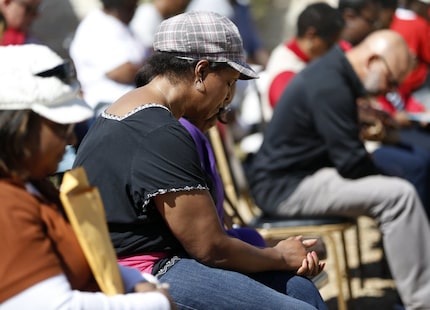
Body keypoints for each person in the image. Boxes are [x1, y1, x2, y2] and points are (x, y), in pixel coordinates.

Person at [74, 11, 327, 310]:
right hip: (145, 271)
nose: (229, 98)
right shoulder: (160, 131)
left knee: (299, 289)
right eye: (230, 82)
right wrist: (281, 255)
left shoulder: (127, 109)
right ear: (201, 71)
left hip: (167, 258)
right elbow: (210, 248)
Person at [247, 29, 430, 309]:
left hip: (298, 176)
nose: (388, 91)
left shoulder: (334, 70)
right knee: (399, 195)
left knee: (401, 180)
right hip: (285, 187)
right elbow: (352, 164)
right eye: (391, 81)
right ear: (373, 61)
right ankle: (422, 302)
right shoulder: (331, 82)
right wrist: (391, 170)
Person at [0, 44, 175, 310]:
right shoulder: (7, 204)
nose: (70, 139)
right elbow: (52, 306)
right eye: (61, 127)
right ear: (19, 125)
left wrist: (133, 279)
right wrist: (155, 303)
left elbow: (86, 260)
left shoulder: (33, 187)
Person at [69, 0, 145, 117]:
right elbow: (123, 73)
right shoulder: (97, 26)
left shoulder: (119, 23)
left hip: (131, 107)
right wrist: (155, 67)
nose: (136, 5)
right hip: (111, 112)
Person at [265, 2, 345, 108]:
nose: (333, 49)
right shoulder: (286, 68)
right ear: (311, 35)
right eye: (330, 43)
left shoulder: (313, 59)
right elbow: (292, 110)